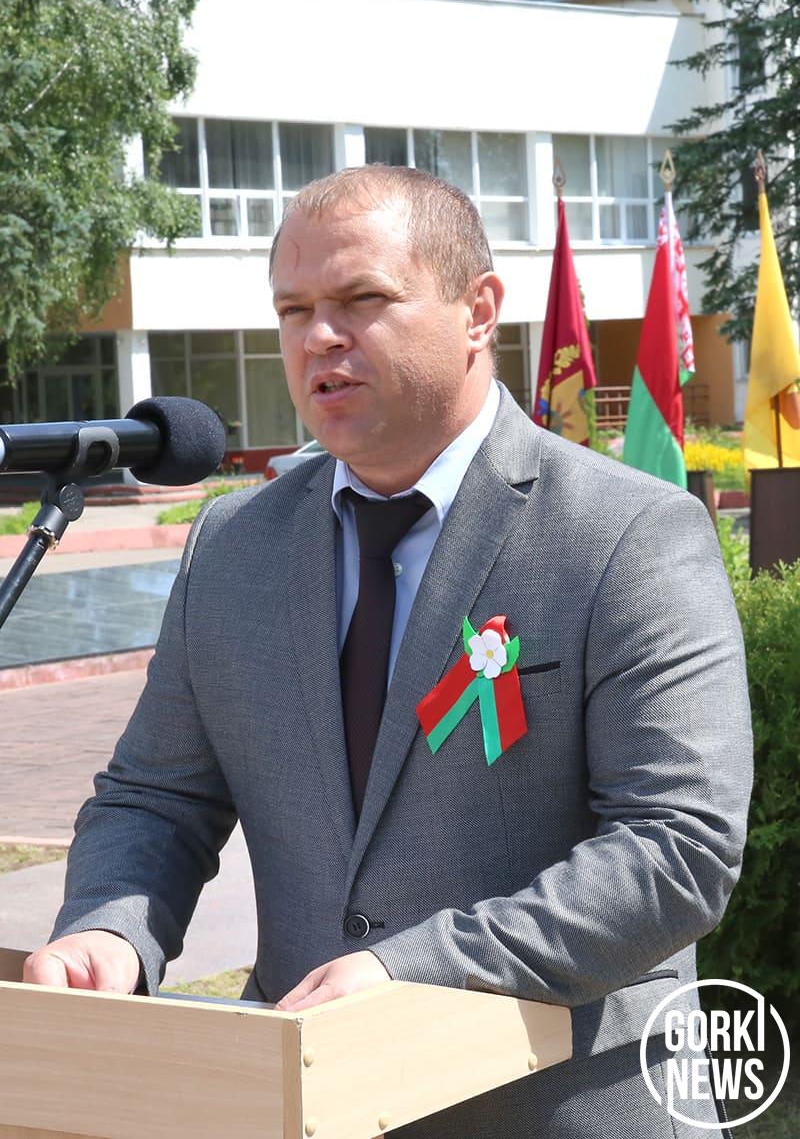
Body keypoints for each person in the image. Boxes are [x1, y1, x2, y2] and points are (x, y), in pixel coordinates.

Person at [25, 165, 752, 1137]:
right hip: (308, 1102)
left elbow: (676, 851)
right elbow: (158, 797)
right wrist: (109, 930)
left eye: (361, 299)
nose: (318, 337)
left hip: (562, 1104)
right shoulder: (233, 546)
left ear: (477, 311)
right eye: (293, 310)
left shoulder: (626, 534)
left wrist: (409, 968)